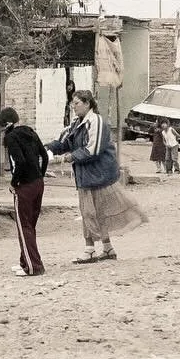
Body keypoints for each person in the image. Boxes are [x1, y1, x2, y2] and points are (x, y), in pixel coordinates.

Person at [46, 90, 148, 264]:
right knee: (94, 212)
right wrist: (47, 149)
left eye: (77, 103)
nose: (74, 106)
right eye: (73, 103)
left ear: (87, 104)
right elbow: (63, 141)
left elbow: (93, 149)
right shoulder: (76, 124)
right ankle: (107, 248)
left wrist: (67, 157)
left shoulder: (96, 122)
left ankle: (90, 249)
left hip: (99, 174)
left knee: (91, 212)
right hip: (87, 174)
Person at [1, 107, 49, 277]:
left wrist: (14, 183)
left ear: (7, 124)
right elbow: (45, 156)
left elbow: (19, 162)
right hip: (38, 183)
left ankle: (33, 266)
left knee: (24, 226)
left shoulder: (11, 137)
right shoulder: (31, 132)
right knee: (30, 225)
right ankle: (25, 261)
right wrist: (40, 175)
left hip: (24, 187)